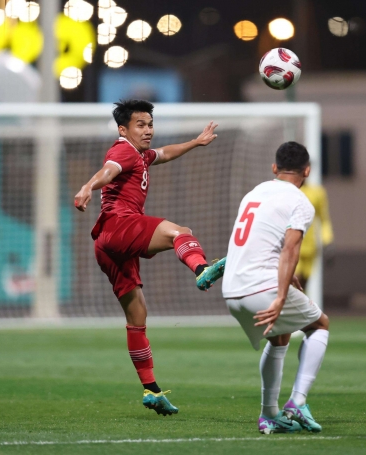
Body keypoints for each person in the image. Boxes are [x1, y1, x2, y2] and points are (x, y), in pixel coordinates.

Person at [74, 99, 227, 415]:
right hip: (119, 225)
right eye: (140, 125)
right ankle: (201, 268)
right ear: (123, 129)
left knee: (137, 317)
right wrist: (89, 184)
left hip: (105, 244)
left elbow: (165, 153)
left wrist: (196, 143)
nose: (148, 131)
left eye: (150, 125)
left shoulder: (139, 155)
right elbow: (109, 170)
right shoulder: (122, 151)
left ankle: (151, 391)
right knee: (179, 231)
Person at [222, 141, 330, 434]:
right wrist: (281, 295)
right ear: (306, 171)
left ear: (274, 168)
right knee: (319, 325)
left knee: (279, 338)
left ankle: (269, 415)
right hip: (263, 288)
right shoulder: (300, 201)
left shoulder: (253, 194)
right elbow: (290, 250)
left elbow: (255, 242)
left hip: (232, 290)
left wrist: (285, 280)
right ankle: (297, 401)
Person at [296, 183, 334, 291]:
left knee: (302, 288)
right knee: (294, 280)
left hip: (310, 249)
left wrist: (327, 241)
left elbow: (324, 219)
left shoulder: (317, 192)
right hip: (292, 246)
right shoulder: (289, 193)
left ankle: (296, 307)